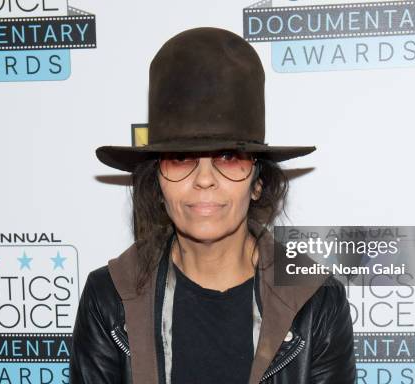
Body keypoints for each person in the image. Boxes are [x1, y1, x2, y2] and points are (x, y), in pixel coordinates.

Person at [69, 27, 356, 384]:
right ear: (157, 184)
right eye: (180, 159)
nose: (205, 179)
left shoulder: (317, 301)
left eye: (228, 157)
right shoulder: (109, 298)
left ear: (258, 183)